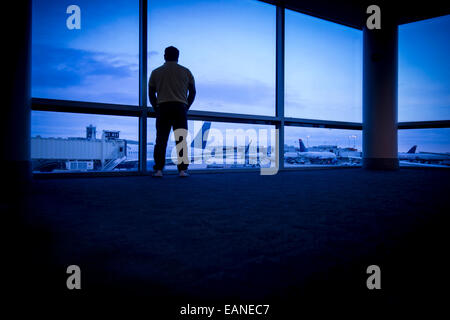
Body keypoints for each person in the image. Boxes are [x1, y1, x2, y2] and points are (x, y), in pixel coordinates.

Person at [149, 46, 196, 177]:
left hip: (163, 108)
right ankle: (182, 170)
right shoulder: (186, 72)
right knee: (181, 140)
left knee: (161, 140)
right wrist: (186, 106)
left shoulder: (155, 72)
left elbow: (151, 93)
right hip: (180, 108)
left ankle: (158, 170)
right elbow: (193, 92)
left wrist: (156, 108)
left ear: (165, 56)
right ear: (178, 56)